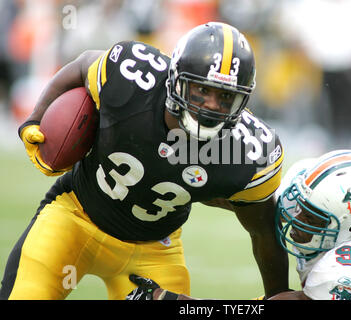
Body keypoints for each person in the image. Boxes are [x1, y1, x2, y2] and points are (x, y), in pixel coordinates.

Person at [0, 22, 289, 300]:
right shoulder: (131, 80)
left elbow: (263, 230)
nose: (212, 105)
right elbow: (82, 64)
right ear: (175, 80)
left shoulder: (247, 150)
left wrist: (278, 294)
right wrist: (35, 119)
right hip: (74, 219)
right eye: (202, 90)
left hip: (155, 250)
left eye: (226, 96)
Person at [127, 149, 351, 300]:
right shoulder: (329, 202)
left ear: (349, 227)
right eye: (300, 207)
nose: (296, 218)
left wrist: (173, 302)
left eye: (311, 219)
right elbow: (242, 198)